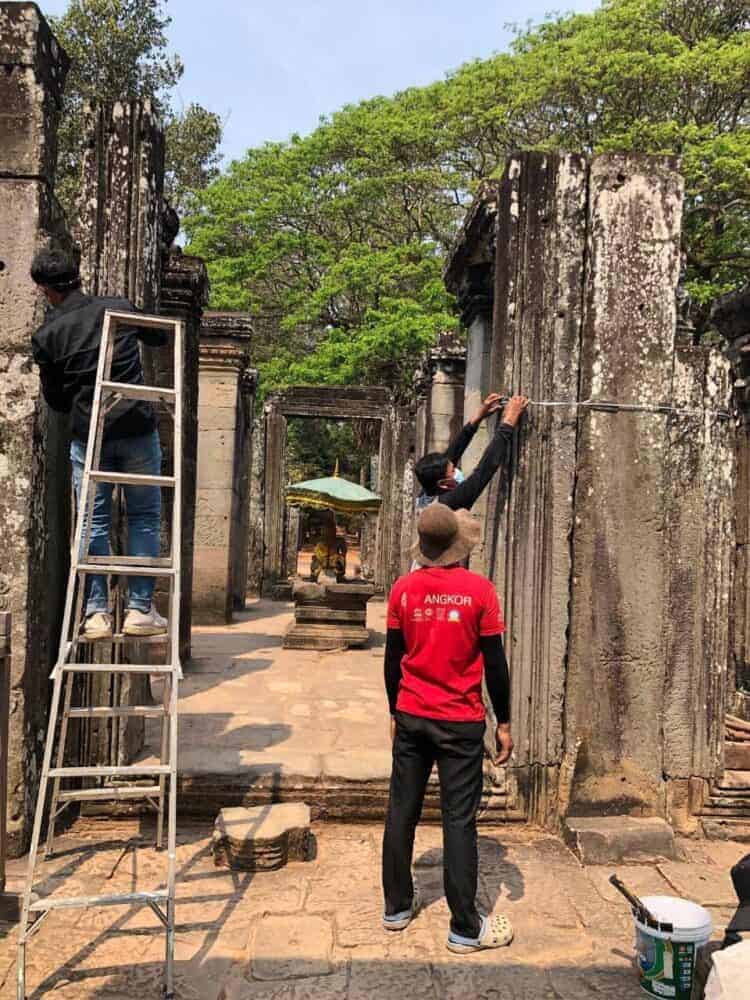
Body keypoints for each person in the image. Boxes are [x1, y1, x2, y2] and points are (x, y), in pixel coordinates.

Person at [382, 502, 514, 953]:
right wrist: (505, 721)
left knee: (403, 810)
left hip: (413, 716)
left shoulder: (402, 590)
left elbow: (392, 661)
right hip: (459, 722)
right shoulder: (480, 592)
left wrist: (393, 714)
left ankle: (396, 906)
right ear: (459, 546)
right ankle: (464, 927)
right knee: (459, 821)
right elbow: (495, 665)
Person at [30, 248, 169, 640]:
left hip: (90, 436)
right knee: (143, 516)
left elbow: (56, 400)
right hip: (137, 428)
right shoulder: (116, 308)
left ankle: (96, 613)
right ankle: (140, 609)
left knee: (93, 522)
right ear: (78, 277)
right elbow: (159, 334)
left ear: (44, 290)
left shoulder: (47, 337)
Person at [414, 393, 529, 514]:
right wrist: (509, 421)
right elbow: (484, 469)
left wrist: (477, 418)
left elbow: (453, 452)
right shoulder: (449, 503)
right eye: (453, 471)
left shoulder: (426, 494)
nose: (457, 472)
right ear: (442, 484)